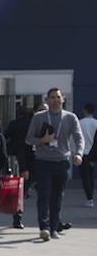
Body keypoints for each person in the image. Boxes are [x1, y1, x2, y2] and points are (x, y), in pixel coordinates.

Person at [25, 88, 85, 241]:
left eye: (58, 97)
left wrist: (78, 153)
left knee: (57, 197)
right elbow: (28, 139)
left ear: (63, 99)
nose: (55, 100)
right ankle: (44, 228)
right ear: (47, 100)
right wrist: (42, 141)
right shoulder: (39, 117)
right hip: (43, 161)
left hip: (62, 161)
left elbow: (79, 138)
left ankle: (53, 228)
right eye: (52, 97)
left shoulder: (70, 118)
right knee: (44, 195)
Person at [4, 103, 37, 229]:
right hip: (33, 159)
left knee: (21, 191)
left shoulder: (14, 123)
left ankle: (17, 218)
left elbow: (5, 136)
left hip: (19, 158)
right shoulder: (33, 124)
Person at [80, 103, 97, 208]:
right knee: (91, 176)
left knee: (85, 176)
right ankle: (91, 196)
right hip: (94, 153)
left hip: (83, 153)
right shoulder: (96, 123)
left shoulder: (80, 123)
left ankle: (89, 198)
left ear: (85, 110)